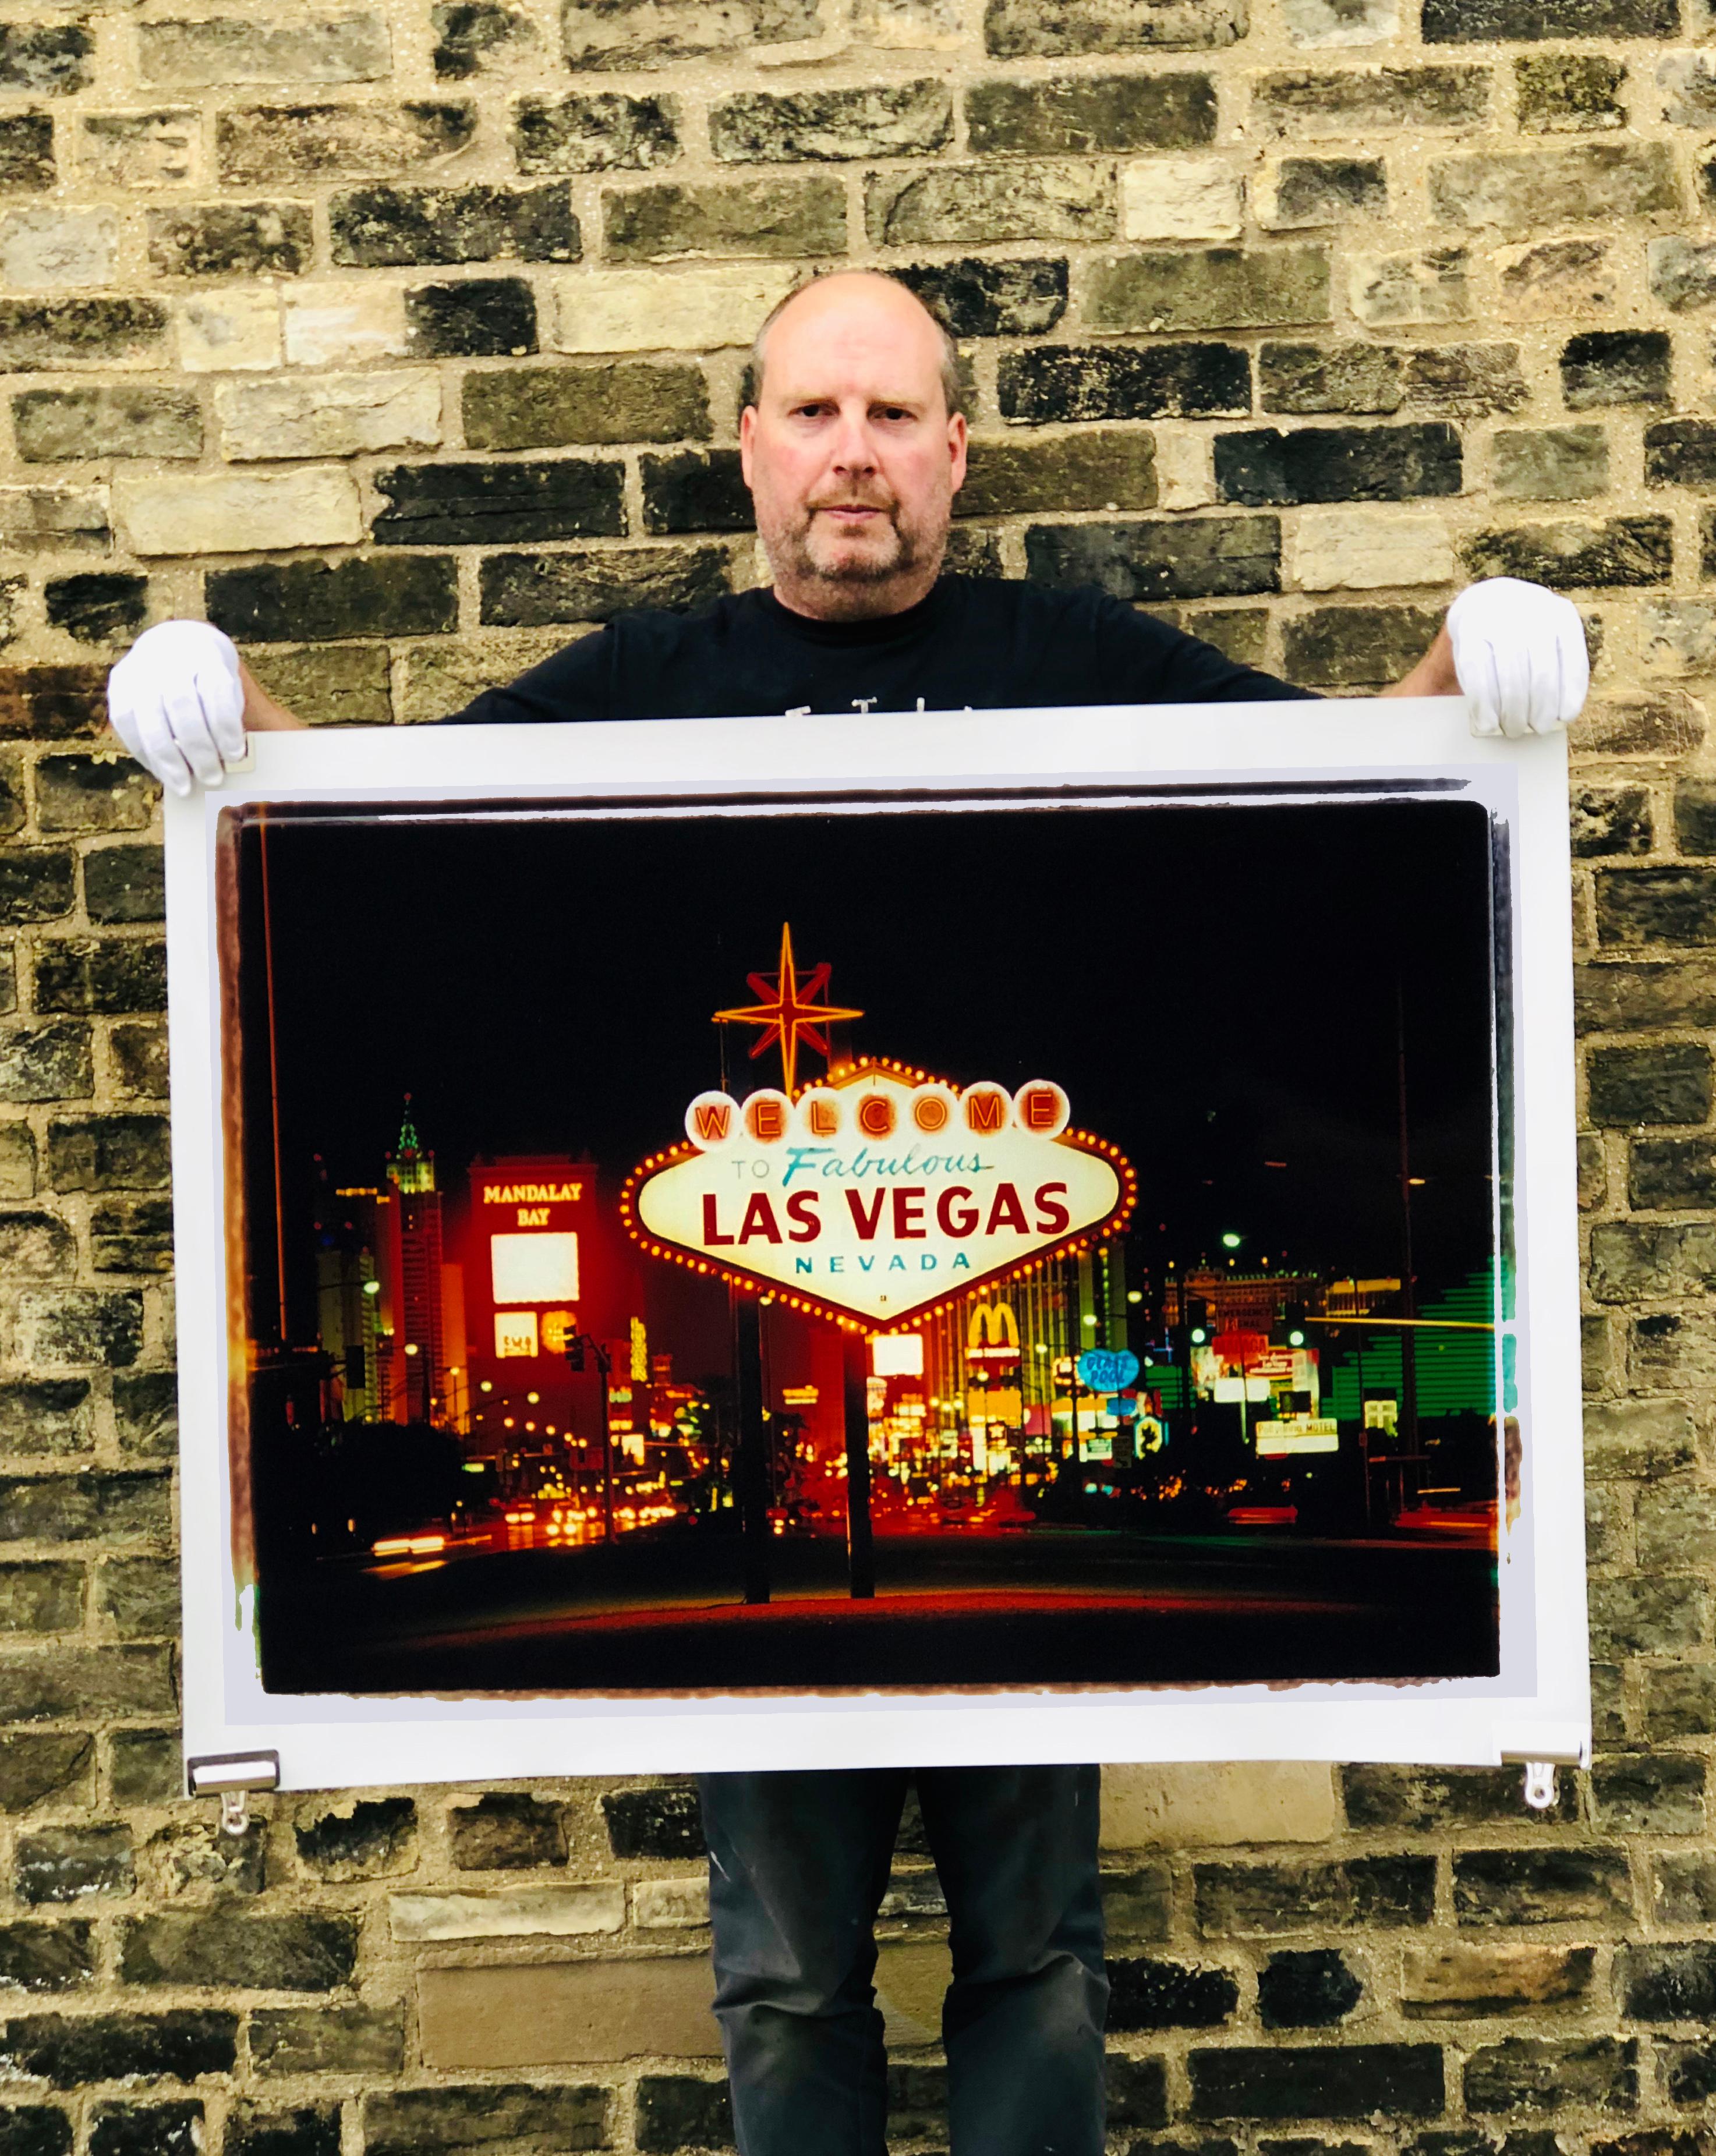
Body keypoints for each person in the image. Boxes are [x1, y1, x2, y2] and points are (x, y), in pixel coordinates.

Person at [107, 270, 1589, 2156]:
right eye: (815, 413)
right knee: (787, 1972)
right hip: (775, 1554)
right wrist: (221, 713)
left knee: (1037, 1952)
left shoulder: (1073, 656)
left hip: (984, 1580)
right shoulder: (644, 688)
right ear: (748, 448)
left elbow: (1345, 803)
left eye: (892, 415)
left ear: (955, 452)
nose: (853, 455)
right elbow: (359, 843)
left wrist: (1474, 671)